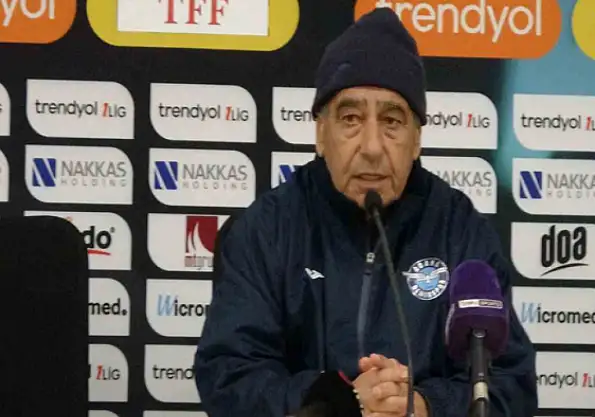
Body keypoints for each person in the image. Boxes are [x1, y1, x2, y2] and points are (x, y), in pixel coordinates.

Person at [193, 7, 537, 417]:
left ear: (416, 140)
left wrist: (425, 406)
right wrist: (337, 400)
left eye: (392, 121)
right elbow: (229, 376)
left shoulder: (461, 231)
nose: (372, 146)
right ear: (321, 133)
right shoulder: (266, 230)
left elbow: (509, 384)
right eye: (351, 118)